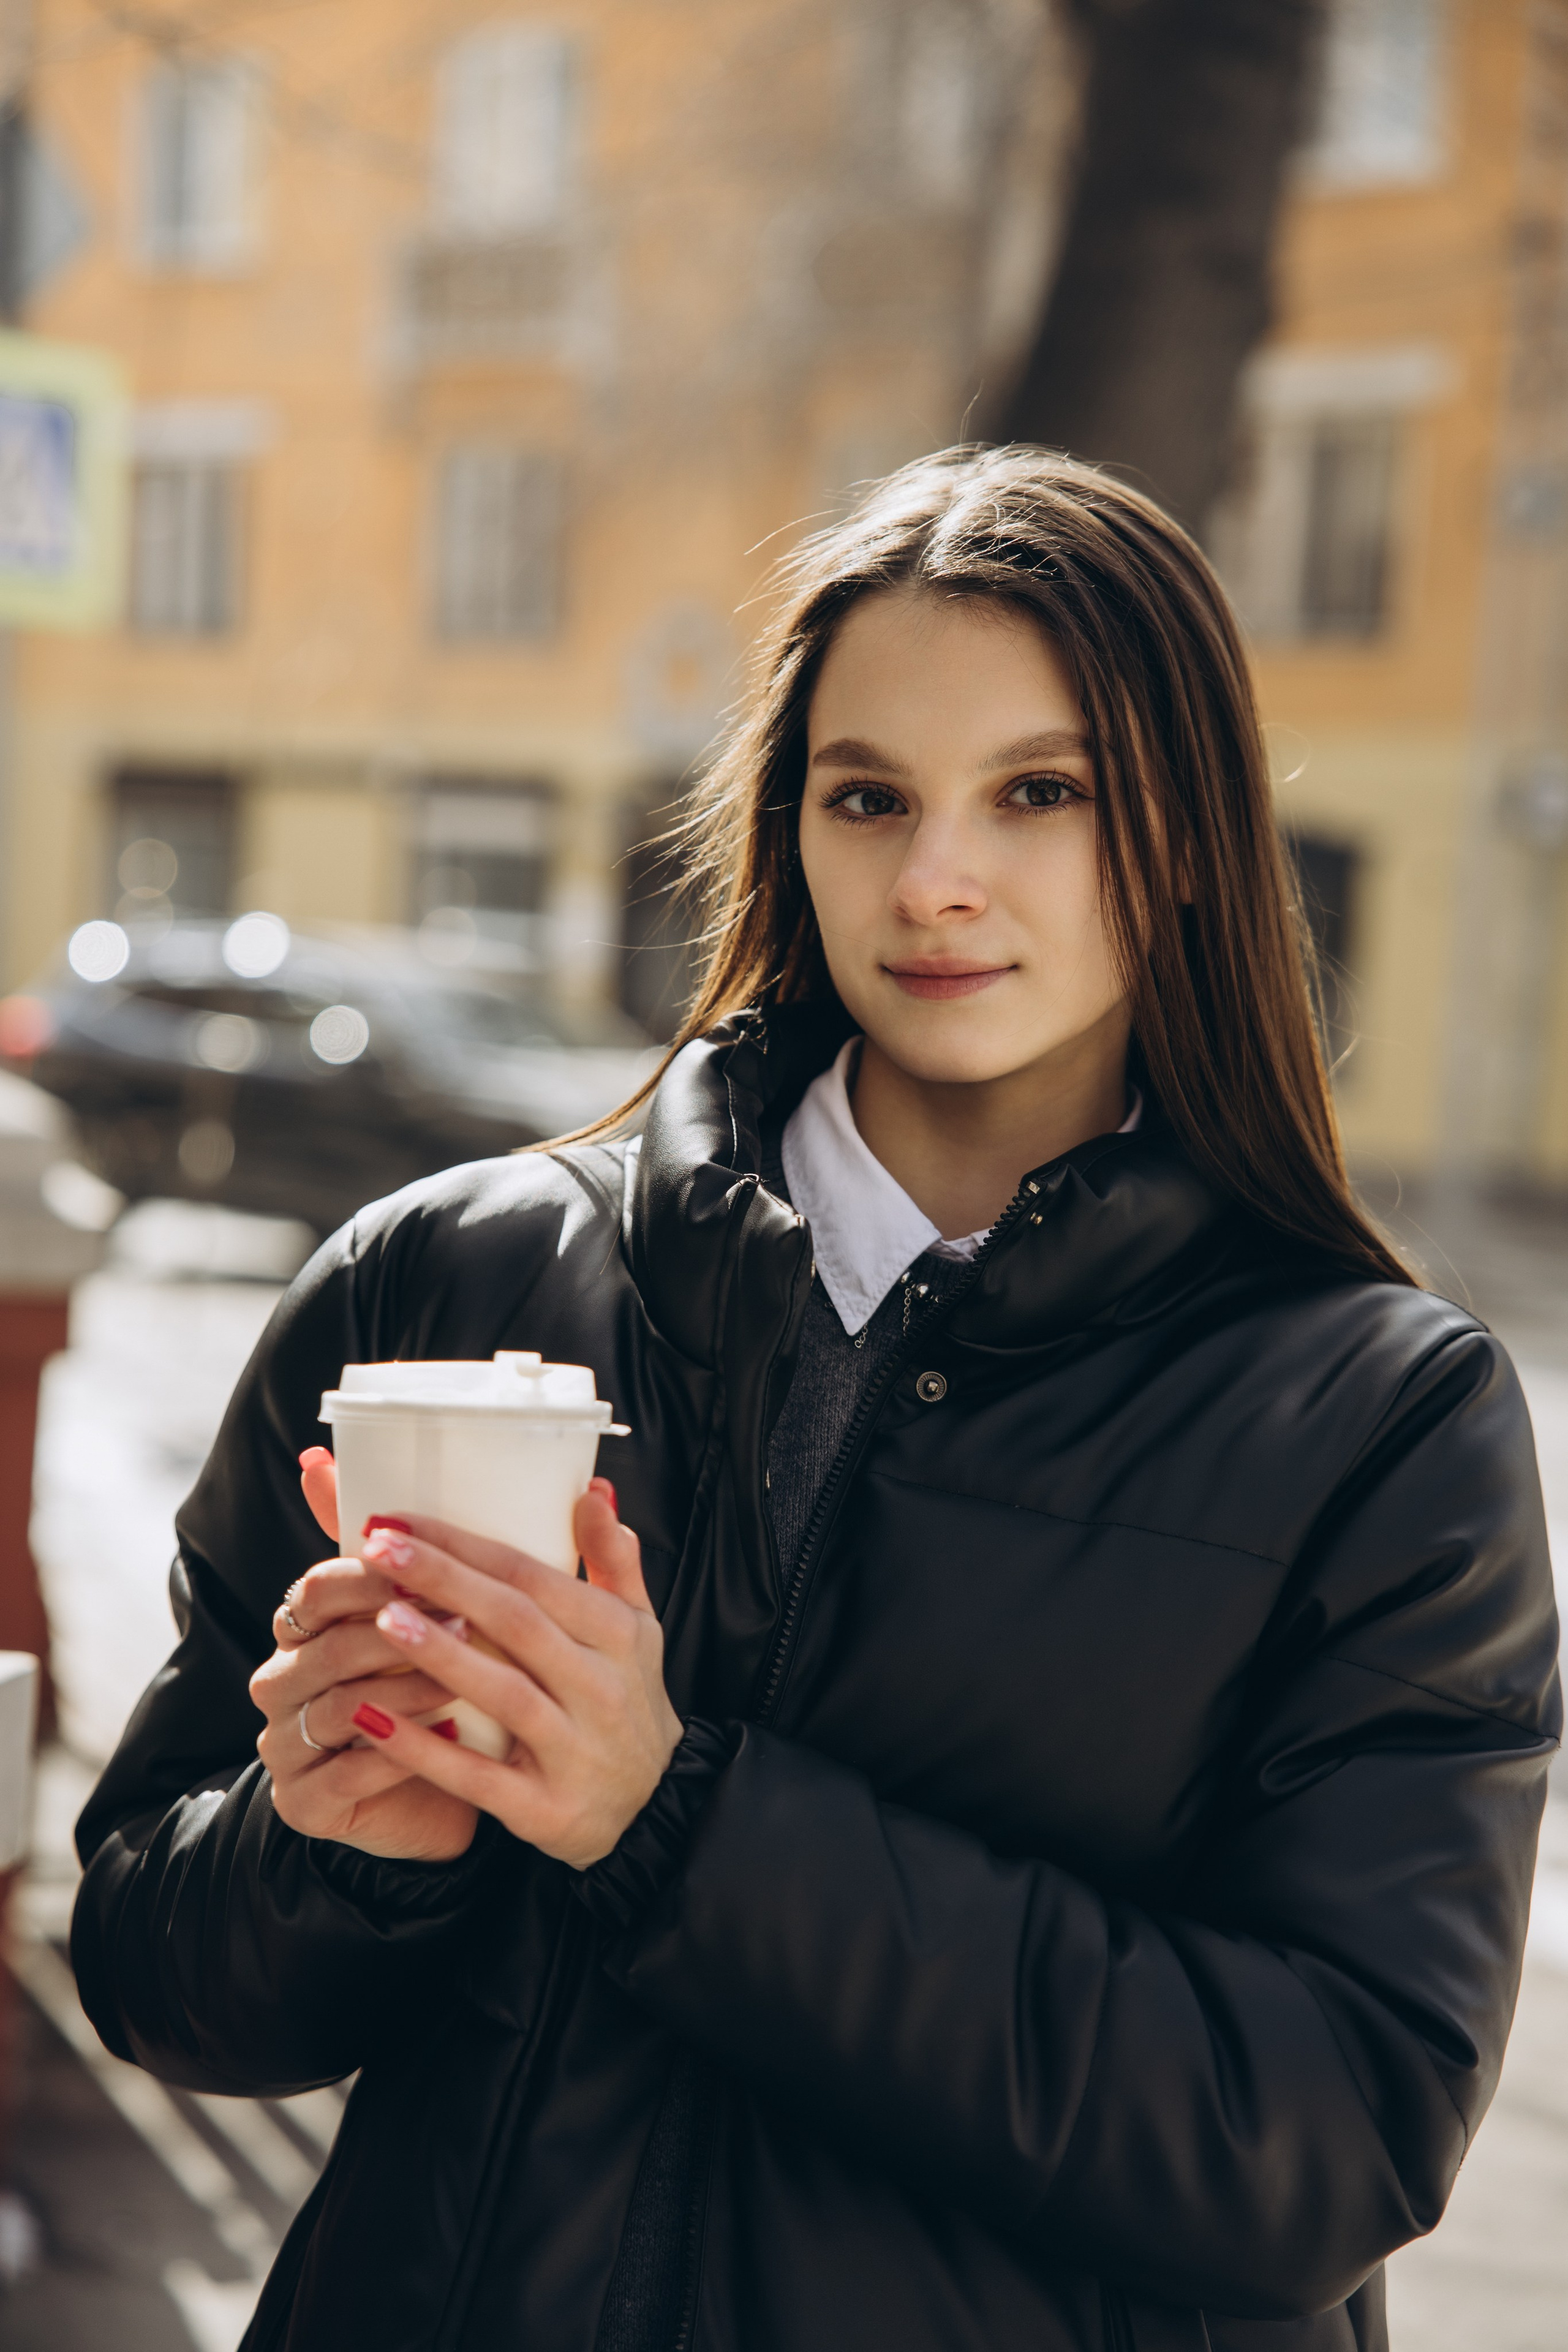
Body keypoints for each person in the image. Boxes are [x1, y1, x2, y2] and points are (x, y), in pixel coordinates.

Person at [72, 448, 1561, 2352]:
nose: (934, 880)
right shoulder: (440, 1279)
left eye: (1041, 793)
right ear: (792, 829)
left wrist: (671, 1820)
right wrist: (333, 1853)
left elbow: (1325, 2140)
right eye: (870, 797)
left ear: (1184, 830)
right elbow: (149, 1969)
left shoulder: (1377, 1422)